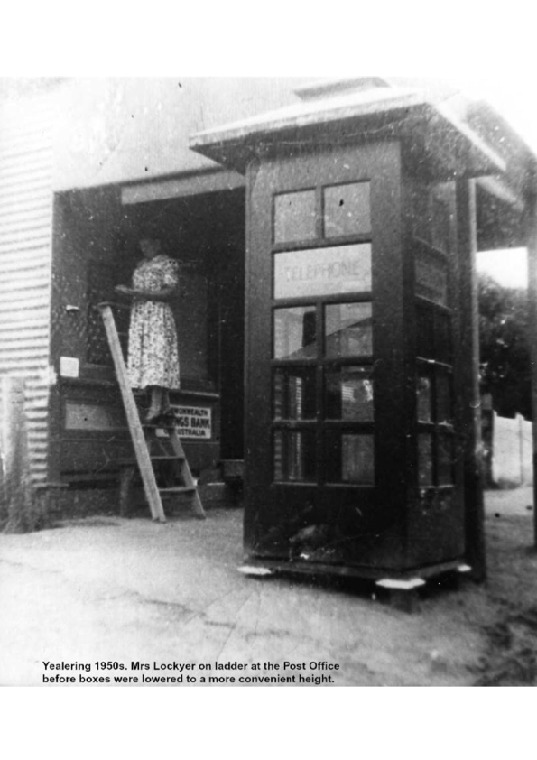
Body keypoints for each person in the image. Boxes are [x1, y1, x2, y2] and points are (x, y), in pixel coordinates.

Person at [116, 237, 181, 422]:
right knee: (145, 357)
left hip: (157, 313)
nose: (145, 249)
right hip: (141, 315)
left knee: (156, 357)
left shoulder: (167, 263)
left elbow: (171, 292)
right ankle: (165, 406)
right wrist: (128, 292)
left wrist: (140, 294)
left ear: (158, 243)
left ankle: (156, 406)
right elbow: (139, 289)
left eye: (149, 244)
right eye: (142, 246)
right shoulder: (141, 264)